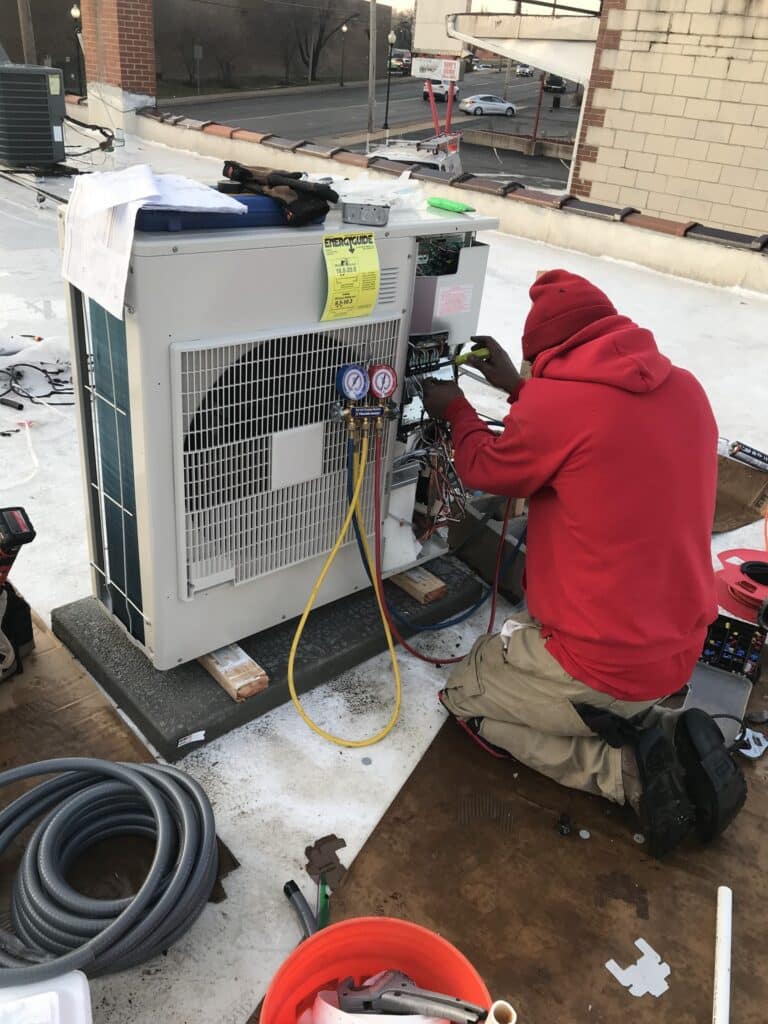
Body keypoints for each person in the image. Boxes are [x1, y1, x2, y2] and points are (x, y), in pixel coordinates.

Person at [422, 269, 746, 858]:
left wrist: (457, 410)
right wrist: (521, 388)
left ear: (546, 354)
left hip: (600, 663)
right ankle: (665, 732)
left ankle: (626, 773)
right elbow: (591, 427)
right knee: (553, 666)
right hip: (679, 650)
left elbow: (483, 466)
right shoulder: (687, 390)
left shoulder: (557, 406)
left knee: (465, 693)